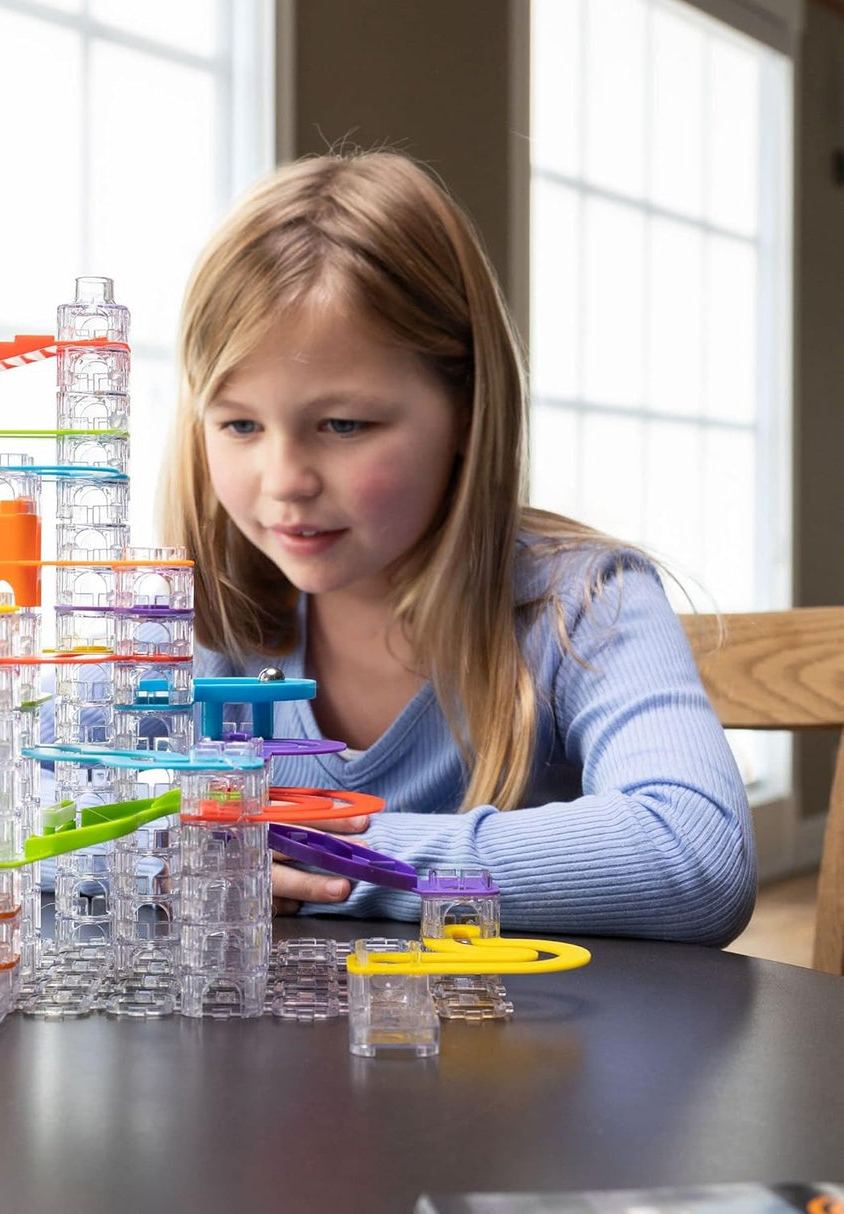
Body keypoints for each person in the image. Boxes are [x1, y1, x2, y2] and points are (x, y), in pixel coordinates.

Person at [159, 150, 755, 945]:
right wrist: (162, 853)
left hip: (518, 1062)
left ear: (469, 413)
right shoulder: (183, 622)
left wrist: (309, 848)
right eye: (239, 425)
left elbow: (695, 855)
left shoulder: (584, 603)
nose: (285, 480)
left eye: (344, 425)